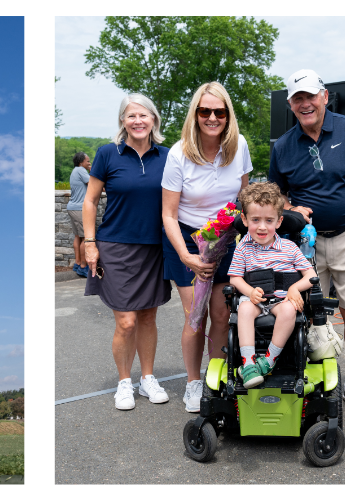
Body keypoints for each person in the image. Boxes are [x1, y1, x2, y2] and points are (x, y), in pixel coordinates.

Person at [268, 69, 345, 414]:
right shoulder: (284, 145)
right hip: (305, 242)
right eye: (297, 99)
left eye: (309, 96)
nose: (304, 104)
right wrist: (290, 208)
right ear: (291, 104)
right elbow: (276, 196)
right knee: (299, 312)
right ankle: (302, 377)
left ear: (324, 95)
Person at [160, 81, 253, 412]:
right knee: (195, 317)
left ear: (227, 115)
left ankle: (214, 378)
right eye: (205, 111)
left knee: (221, 312)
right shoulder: (178, 153)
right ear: (195, 114)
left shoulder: (238, 146)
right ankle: (193, 383)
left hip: (222, 237)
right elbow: (168, 214)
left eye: (219, 111)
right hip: (186, 239)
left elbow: (243, 199)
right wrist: (187, 256)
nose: (212, 117)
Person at [82, 93, 174, 411]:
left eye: (143, 115)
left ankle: (147, 378)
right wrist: (90, 242)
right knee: (126, 322)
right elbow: (90, 201)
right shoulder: (108, 153)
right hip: (116, 247)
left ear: (154, 120)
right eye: (130, 115)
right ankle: (125, 382)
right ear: (122, 120)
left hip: (154, 248)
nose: (137, 121)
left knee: (148, 316)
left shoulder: (167, 156)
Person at [226, 182, 316, 389]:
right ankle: (248, 364)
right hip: (255, 299)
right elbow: (235, 279)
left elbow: (309, 275)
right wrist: (250, 291)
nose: (262, 226)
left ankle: (269, 360)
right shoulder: (243, 248)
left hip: (281, 299)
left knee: (288, 309)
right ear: (245, 219)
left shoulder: (289, 247)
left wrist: (294, 289)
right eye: (255, 220)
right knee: (246, 308)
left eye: (269, 220)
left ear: (279, 221)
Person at [68, 151, 94, 278]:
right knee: (85, 237)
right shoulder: (81, 170)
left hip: (72, 207)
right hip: (79, 209)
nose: (89, 163)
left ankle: (78, 263)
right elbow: (93, 185)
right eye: (88, 161)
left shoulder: (75, 171)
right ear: (81, 162)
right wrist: (93, 170)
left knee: (78, 236)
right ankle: (84, 267)